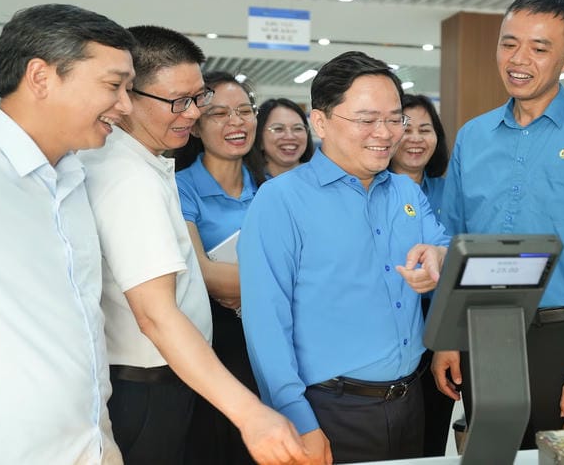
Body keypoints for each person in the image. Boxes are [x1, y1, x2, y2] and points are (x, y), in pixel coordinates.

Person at [78, 25, 307, 465]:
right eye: (178, 102)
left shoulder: (149, 165)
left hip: (170, 378)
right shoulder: (129, 179)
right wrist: (249, 412)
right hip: (147, 384)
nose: (191, 113)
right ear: (127, 96)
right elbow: (157, 315)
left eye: (197, 98)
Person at [0, 3, 135, 463]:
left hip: (89, 445)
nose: (126, 106)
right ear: (41, 77)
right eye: (114, 86)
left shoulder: (73, 178)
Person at [432, 0, 564, 449]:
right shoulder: (473, 136)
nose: (518, 58)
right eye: (509, 43)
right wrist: (448, 336)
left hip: (562, 337)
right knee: (489, 456)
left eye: (539, 47)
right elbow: (453, 239)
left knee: (558, 458)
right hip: (481, 332)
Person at [239, 51, 451, 464]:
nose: (386, 133)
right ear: (320, 122)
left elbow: (442, 249)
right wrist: (300, 422)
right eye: (367, 119)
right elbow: (266, 326)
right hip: (330, 410)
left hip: (410, 400)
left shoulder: (406, 192)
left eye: (394, 118)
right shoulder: (281, 201)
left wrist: (438, 257)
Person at [174, 71, 264, 465]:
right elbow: (203, 276)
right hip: (214, 341)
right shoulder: (180, 187)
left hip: (268, 338)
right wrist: (285, 283)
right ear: (196, 126)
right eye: (220, 114)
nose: (236, 122)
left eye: (245, 111)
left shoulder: (269, 188)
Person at [387, 93, 453, 456]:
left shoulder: (450, 192)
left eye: (425, 129)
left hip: (442, 322)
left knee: (431, 434)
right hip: (391, 322)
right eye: (405, 127)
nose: (415, 138)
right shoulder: (374, 190)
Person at [255, 97, 314, 178]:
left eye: (298, 128)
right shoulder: (246, 185)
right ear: (260, 138)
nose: (290, 136)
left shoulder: (322, 179)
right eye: (278, 129)